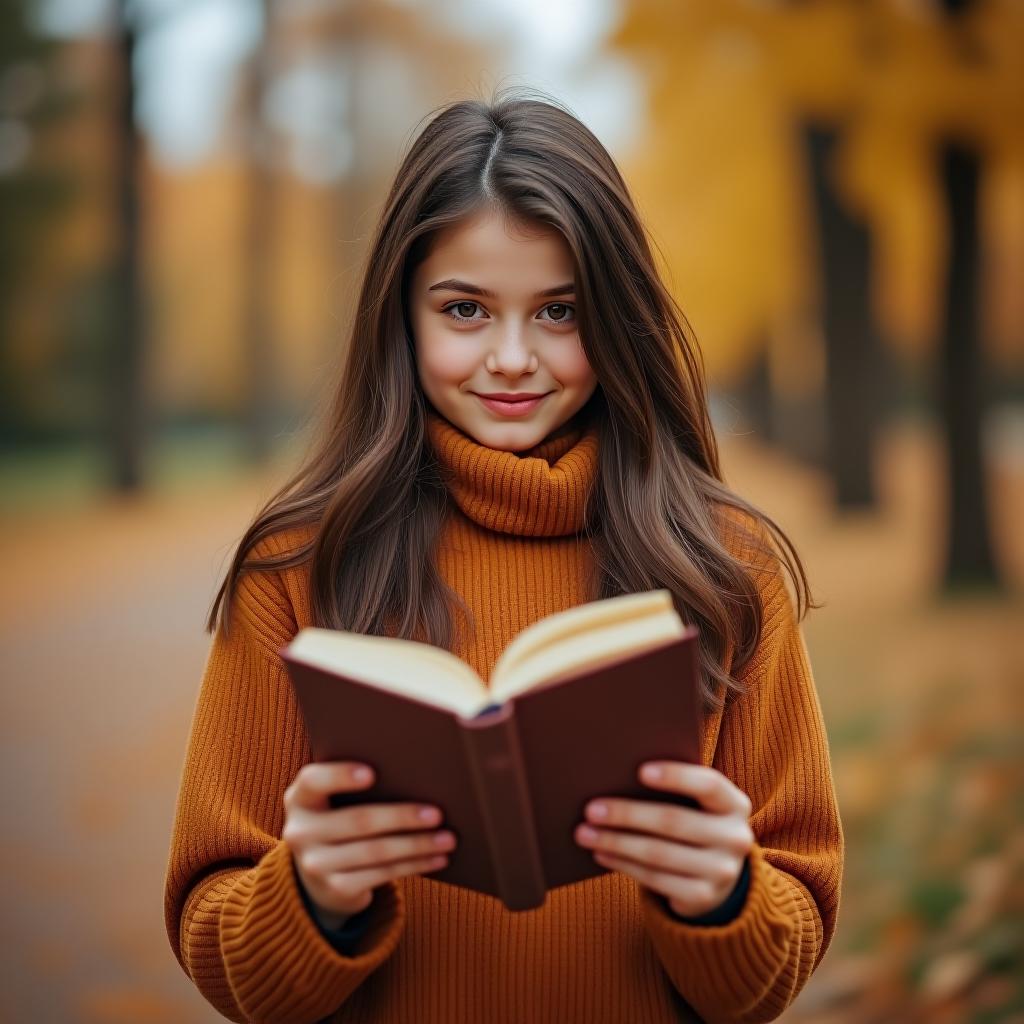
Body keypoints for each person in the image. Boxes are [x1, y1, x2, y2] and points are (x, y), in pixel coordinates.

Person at [163, 91, 844, 1024]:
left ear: (618, 316)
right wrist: (311, 895)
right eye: (465, 310)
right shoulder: (297, 568)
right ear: (400, 316)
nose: (514, 357)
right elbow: (216, 937)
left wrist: (723, 894)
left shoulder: (724, 566)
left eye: (560, 311)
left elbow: (792, 934)